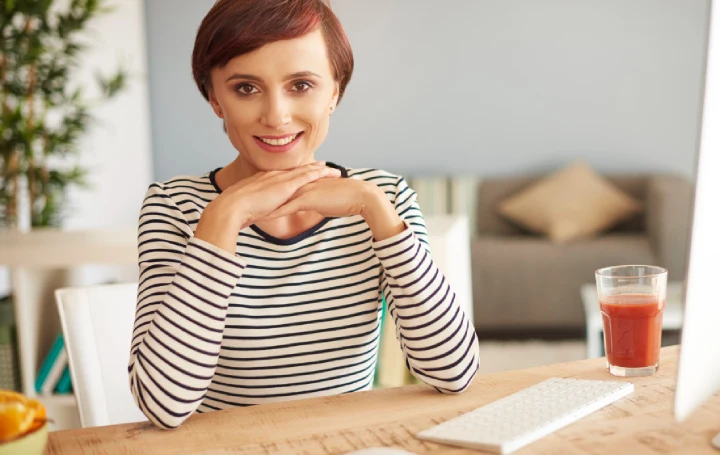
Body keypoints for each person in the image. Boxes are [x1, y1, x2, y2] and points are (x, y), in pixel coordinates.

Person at [130, 0, 479, 429]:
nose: (276, 116)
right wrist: (225, 217)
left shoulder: (383, 196)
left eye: (300, 85)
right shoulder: (174, 207)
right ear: (214, 98)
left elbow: (454, 373)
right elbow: (163, 406)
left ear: (335, 90)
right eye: (245, 88)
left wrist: (377, 212)